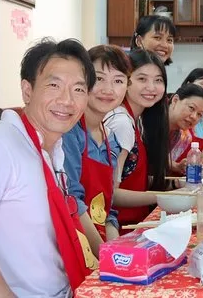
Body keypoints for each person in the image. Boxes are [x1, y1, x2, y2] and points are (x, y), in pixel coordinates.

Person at [0, 38, 96, 297]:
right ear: (27, 90)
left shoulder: (52, 151)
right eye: (54, 85)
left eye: (78, 89)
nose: (67, 100)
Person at [62, 45, 130, 256]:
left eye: (118, 81)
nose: (108, 89)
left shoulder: (111, 139)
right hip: (72, 244)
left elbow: (107, 210)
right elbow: (72, 201)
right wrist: (105, 254)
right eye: (99, 78)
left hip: (97, 245)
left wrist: (115, 249)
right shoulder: (69, 132)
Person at [105, 50, 169, 229]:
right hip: (120, 227)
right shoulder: (121, 122)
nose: (151, 87)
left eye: (158, 80)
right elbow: (111, 193)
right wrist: (165, 197)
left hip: (135, 222)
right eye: (142, 79)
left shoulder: (137, 119)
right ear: (125, 81)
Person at [168, 83, 203, 174]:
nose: (194, 117)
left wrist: (176, 166)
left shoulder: (182, 134)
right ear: (175, 100)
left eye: (199, 114)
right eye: (191, 108)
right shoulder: (152, 119)